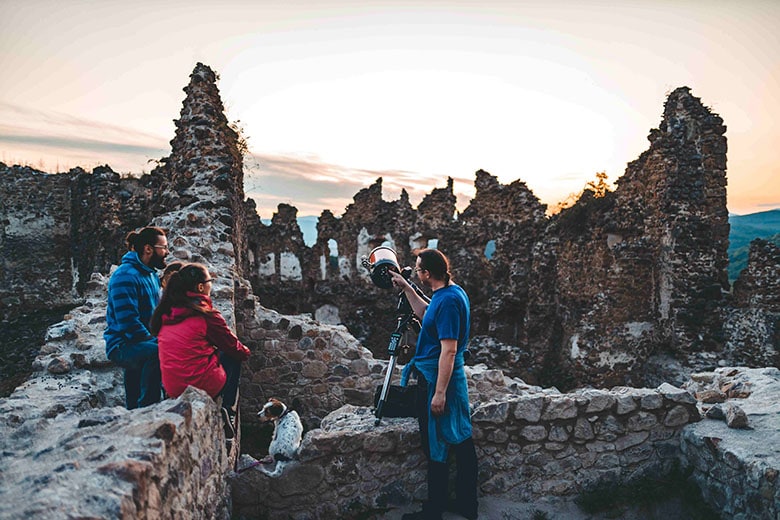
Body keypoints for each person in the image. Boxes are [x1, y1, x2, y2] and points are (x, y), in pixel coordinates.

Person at [390, 249, 479, 520]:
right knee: (456, 438)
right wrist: (407, 288)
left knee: (441, 442)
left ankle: (436, 510)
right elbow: (427, 314)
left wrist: (439, 393)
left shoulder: (449, 302)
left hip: (439, 380)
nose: (417, 273)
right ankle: (464, 504)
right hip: (439, 376)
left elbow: (449, 351)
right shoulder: (448, 293)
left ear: (427, 273)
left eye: (418, 270)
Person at [149, 262, 250, 437]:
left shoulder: (166, 313)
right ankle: (227, 409)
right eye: (210, 281)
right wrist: (246, 351)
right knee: (232, 356)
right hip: (201, 387)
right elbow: (235, 348)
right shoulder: (205, 315)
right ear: (200, 287)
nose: (211, 286)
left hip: (172, 388)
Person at [104, 227, 168, 409]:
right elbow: (129, 324)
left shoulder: (150, 274)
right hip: (123, 344)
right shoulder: (125, 276)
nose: (167, 252)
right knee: (161, 351)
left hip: (142, 341)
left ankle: (135, 409)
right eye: (163, 247)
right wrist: (159, 342)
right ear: (148, 249)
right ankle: (149, 409)